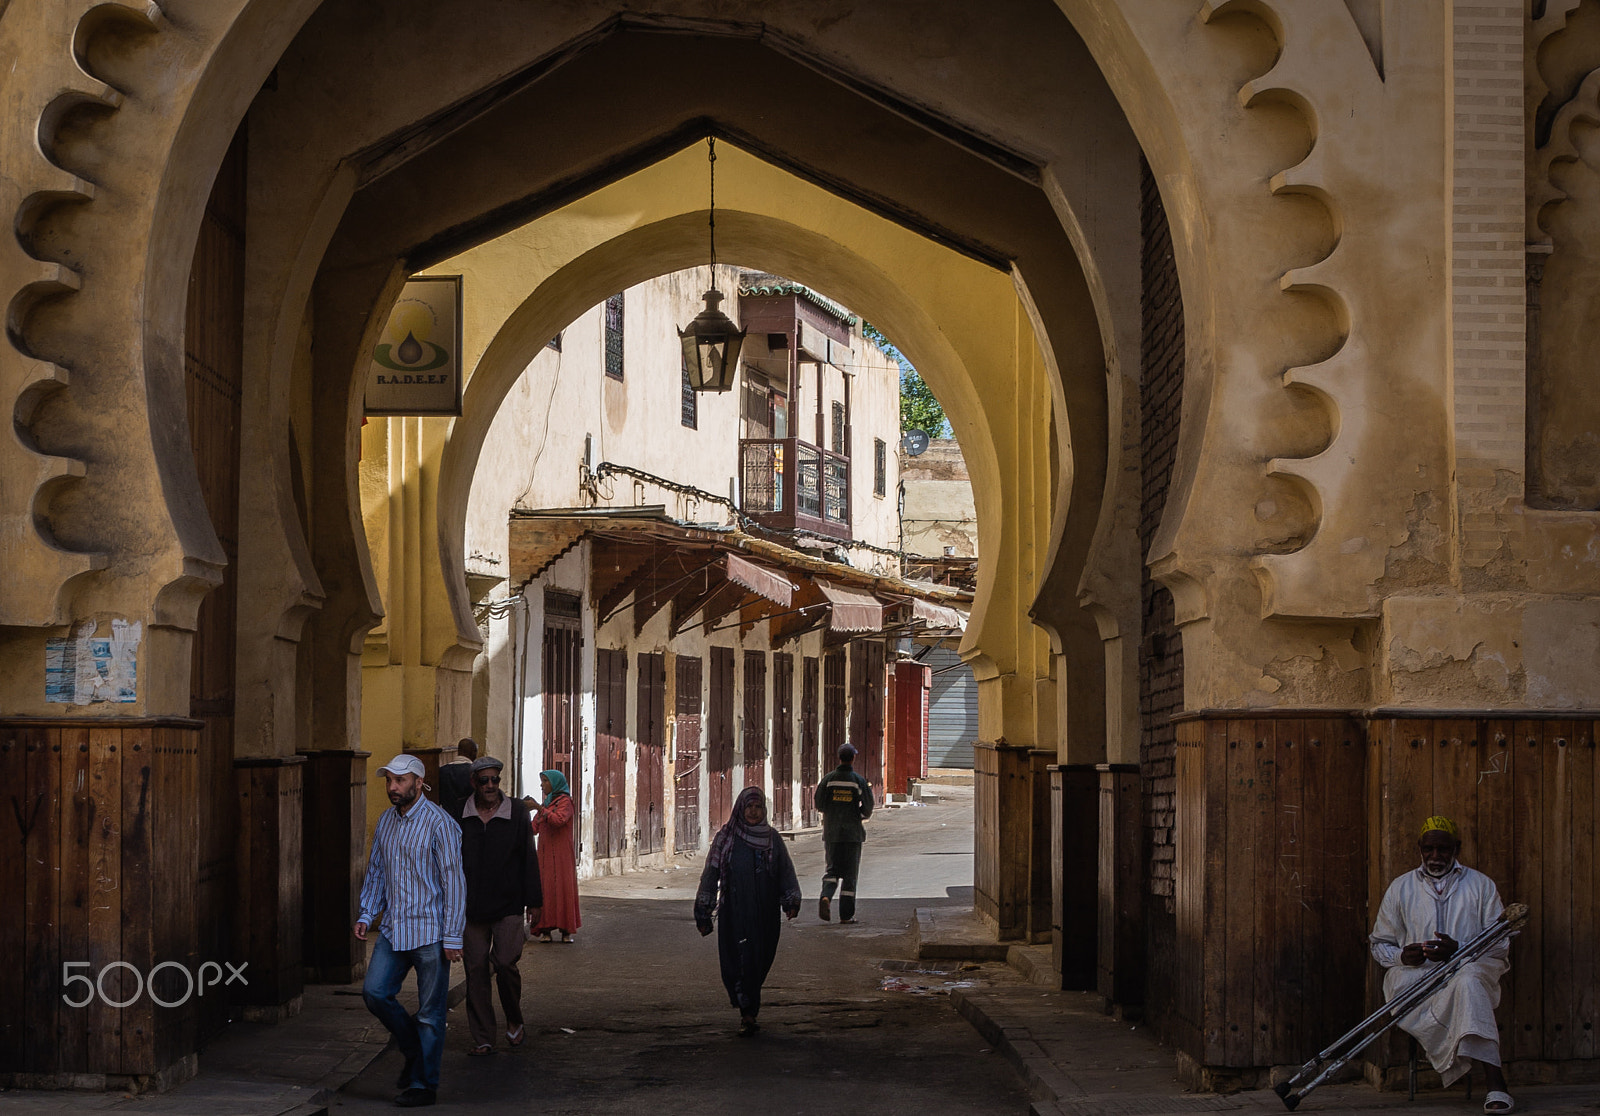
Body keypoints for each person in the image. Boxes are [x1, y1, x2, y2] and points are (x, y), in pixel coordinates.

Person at [1369, 816, 1513, 1114]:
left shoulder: (1481, 885)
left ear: (1456, 848)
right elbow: (1379, 943)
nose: (1436, 856)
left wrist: (1458, 950)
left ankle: (1496, 1082)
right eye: (1429, 849)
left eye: (1443, 849)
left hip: (1467, 970)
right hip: (1416, 976)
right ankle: (1489, 1075)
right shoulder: (1400, 887)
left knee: (1469, 980)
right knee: (1410, 983)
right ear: (1419, 848)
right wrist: (1402, 957)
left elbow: (1501, 943)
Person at [355, 754, 466, 1109]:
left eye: (400, 781)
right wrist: (366, 912)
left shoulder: (440, 824)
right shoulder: (385, 821)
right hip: (392, 928)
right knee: (374, 992)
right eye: (389, 780)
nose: (392, 787)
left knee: (431, 1015)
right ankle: (412, 1049)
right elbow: (376, 870)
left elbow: (454, 882)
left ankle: (423, 1085)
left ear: (419, 783)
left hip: (431, 932)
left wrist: (453, 936)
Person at [695, 787, 801, 1036]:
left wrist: (791, 901)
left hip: (765, 914)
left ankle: (748, 1008)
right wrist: (703, 909)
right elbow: (711, 874)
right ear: (740, 809)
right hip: (735, 913)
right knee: (737, 962)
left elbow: (785, 871)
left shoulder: (772, 838)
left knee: (758, 961)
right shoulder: (727, 838)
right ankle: (747, 1010)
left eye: (758, 808)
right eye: (749, 807)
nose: (753, 812)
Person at [456, 756, 541, 1056]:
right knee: (476, 968)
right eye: (485, 781)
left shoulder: (516, 811)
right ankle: (483, 1036)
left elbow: (528, 858)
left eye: (495, 780)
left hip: (508, 903)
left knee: (505, 963)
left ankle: (514, 1018)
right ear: (474, 783)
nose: (491, 786)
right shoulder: (460, 813)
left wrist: (535, 901)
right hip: (471, 907)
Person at [814, 743, 873, 923]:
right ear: (853, 758)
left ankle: (826, 896)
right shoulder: (858, 781)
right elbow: (868, 807)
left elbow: (819, 803)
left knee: (832, 869)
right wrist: (859, 815)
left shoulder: (828, 780)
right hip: (852, 834)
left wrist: (832, 813)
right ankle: (846, 915)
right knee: (849, 875)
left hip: (832, 833)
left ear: (839, 758)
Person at [528, 769, 581, 942]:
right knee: (546, 889)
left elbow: (558, 820)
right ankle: (546, 929)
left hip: (561, 854)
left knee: (563, 888)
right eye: (542, 781)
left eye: (545, 781)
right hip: (544, 856)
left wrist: (538, 807)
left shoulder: (565, 802)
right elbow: (533, 828)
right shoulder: (547, 803)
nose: (542, 785)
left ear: (555, 783)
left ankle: (566, 930)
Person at [437, 736, 477, 820]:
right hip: (469, 818)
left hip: (447, 817)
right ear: (473, 752)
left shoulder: (442, 771)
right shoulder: (475, 772)